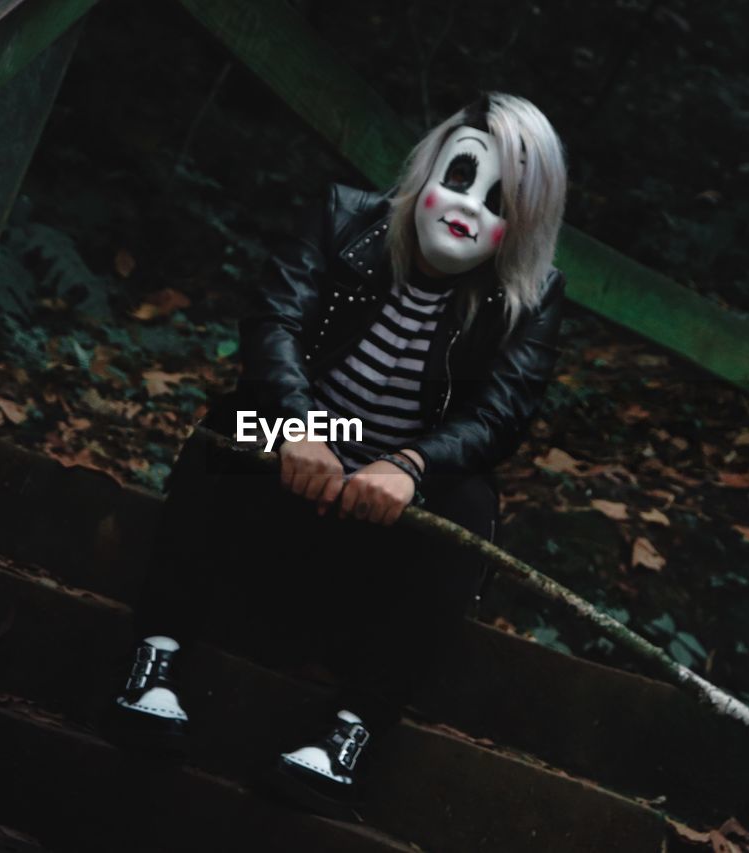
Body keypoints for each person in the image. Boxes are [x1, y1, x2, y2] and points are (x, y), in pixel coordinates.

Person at [101, 91, 568, 820]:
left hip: (398, 478)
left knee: (472, 507)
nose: (467, 207)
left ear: (525, 221)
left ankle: (351, 733)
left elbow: (503, 413)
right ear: (426, 173)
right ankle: (154, 657)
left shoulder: (531, 299)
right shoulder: (344, 218)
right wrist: (300, 425)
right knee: (227, 430)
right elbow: (274, 318)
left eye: (498, 198)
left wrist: (411, 466)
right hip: (308, 444)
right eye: (459, 178)